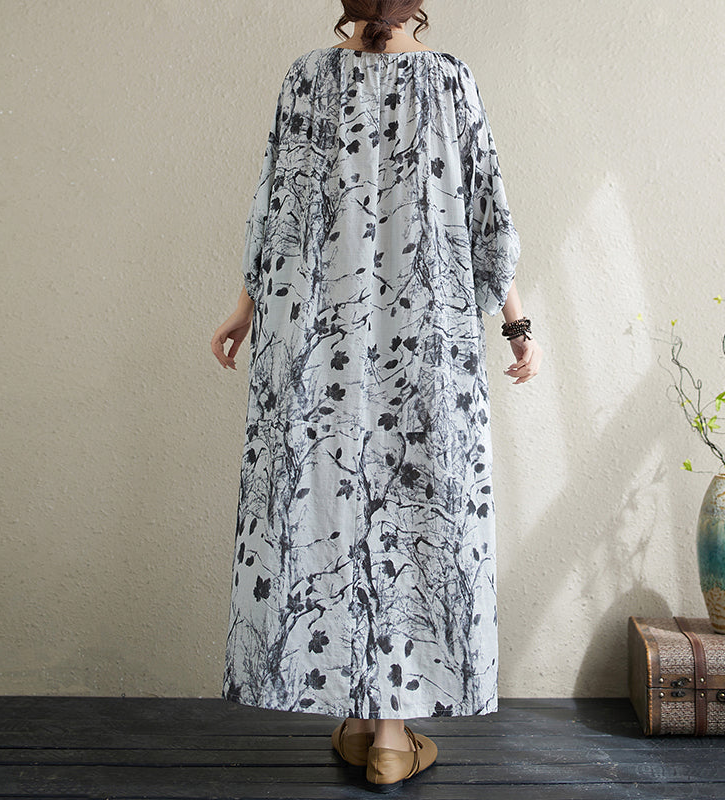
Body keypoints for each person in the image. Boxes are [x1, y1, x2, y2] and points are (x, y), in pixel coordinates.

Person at [210, 0, 543, 791]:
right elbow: (487, 211)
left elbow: (278, 208)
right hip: (424, 340)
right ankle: (385, 732)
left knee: (333, 500)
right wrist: (516, 323)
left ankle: (364, 718)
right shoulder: (451, 82)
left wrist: (245, 308)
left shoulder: (306, 79)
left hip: (318, 340)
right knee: (408, 505)